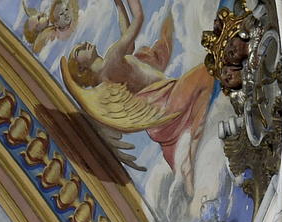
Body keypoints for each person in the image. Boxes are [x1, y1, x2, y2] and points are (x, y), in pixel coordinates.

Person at [62, 0, 213, 181]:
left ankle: (190, 156)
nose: (84, 43)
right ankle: (192, 150)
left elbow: (128, 44)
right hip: (165, 103)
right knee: (208, 70)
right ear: (81, 69)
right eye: (79, 50)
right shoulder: (110, 62)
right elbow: (139, 19)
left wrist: (119, 5)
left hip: (162, 106)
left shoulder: (109, 68)